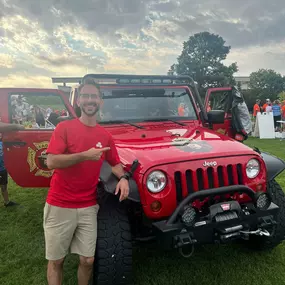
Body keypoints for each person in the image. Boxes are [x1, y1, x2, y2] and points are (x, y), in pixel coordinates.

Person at [44, 77, 129, 285]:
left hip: (88, 206)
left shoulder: (105, 136)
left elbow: (115, 163)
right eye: (85, 96)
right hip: (59, 204)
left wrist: (124, 178)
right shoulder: (64, 128)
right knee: (57, 261)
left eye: (94, 96)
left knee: (88, 260)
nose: (90, 100)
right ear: (78, 101)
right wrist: (84, 155)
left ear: (100, 101)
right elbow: (51, 161)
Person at [0, 121, 24, 207]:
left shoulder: (2, 142)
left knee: (4, 185)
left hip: (2, 168)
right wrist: (17, 126)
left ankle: (7, 202)